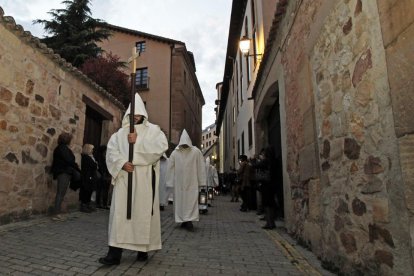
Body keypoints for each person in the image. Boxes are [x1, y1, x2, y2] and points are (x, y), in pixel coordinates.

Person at [98, 93, 168, 266]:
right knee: (119, 216)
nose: (135, 117)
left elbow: (159, 149)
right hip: (124, 180)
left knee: (142, 214)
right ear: (128, 114)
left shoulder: (154, 131)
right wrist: (122, 163)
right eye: (132, 114)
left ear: (143, 113)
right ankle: (114, 254)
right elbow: (111, 153)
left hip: (144, 181)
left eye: (139, 114)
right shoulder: (119, 134)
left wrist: (136, 146)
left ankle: (142, 250)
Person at [166, 129, 206, 232]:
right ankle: (183, 220)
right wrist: (170, 181)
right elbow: (170, 167)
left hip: (192, 182)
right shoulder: (175, 153)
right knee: (180, 202)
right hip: (179, 183)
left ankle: (189, 221)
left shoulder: (196, 152)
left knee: (190, 201)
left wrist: (201, 181)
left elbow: (201, 166)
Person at [50, 132, 81, 221]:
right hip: (63, 172)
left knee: (61, 193)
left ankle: (58, 212)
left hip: (64, 172)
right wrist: (76, 167)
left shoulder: (62, 148)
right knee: (60, 193)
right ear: (67, 140)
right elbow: (69, 160)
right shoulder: (62, 148)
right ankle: (56, 214)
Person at [254, 147, 277, 229]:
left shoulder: (266, 161)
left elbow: (256, 165)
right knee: (271, 203)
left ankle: (269, 223)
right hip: (272, 185)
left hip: (266, 185)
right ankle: (272, 222)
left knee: (267, 204)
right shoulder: (274, 161)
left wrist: (256, 160)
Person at [80, 144, 99, 213]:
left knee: (90, 190)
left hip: (91, 176)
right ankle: (84, 205)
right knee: (86, 191)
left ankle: (88, 205)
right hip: (87, 176)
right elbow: (93, 165)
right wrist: (95, 164)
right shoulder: (86, 157)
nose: (93, 150)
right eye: (92, 149)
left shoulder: (90, 157)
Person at [96, 145, 110, 209]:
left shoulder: (106, 157)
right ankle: (99, 203)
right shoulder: (100, 158)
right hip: (102, 175)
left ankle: (104, 204)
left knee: (105, 191)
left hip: (106, 175)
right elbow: (101, 167)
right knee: (100, 190)